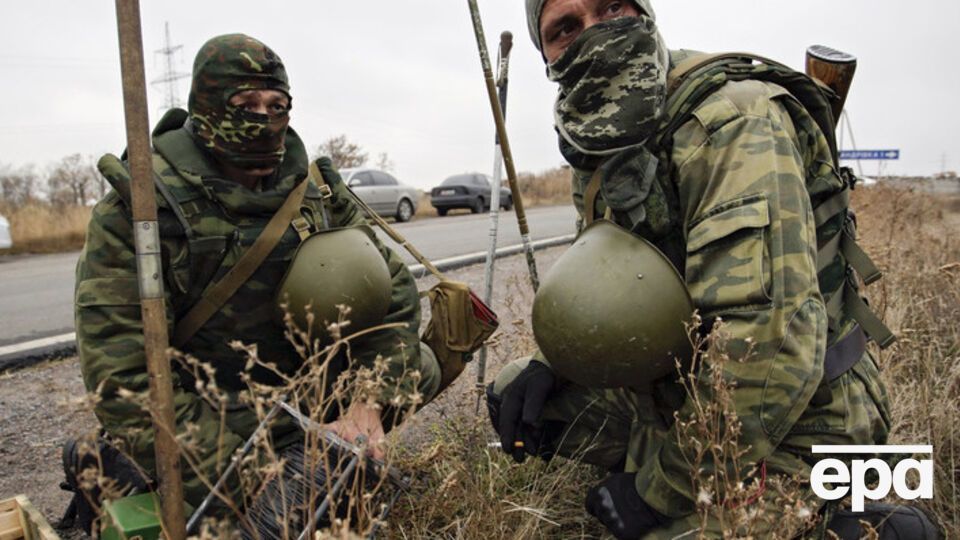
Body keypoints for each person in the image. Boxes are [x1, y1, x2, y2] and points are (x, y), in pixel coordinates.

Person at [488, 1, 938, 538]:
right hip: (685, 390)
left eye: (610, 7)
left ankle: (858, 523)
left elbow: (771, 343)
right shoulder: (600, 140)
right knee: (522, 394)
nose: (593, 34)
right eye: (564, 28)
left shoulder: (731, 121)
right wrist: (553, 361)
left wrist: (657, 491)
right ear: (549, 57)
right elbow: (618, 284)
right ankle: (690, 477)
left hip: (806, 411)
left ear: (642, 12)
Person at [71, 33, 441, 521]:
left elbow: (391, 296)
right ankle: (116, 462)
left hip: (302, 391)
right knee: (259, 516)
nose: (264, 118)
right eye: (244, 103)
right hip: (207, 407)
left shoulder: (317, 193)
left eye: (277, 103)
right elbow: (120, 376)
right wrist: (250, 471)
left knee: (424, 367)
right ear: (206, 107)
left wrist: (367, 403)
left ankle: (316, 449)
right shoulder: (140, 210)